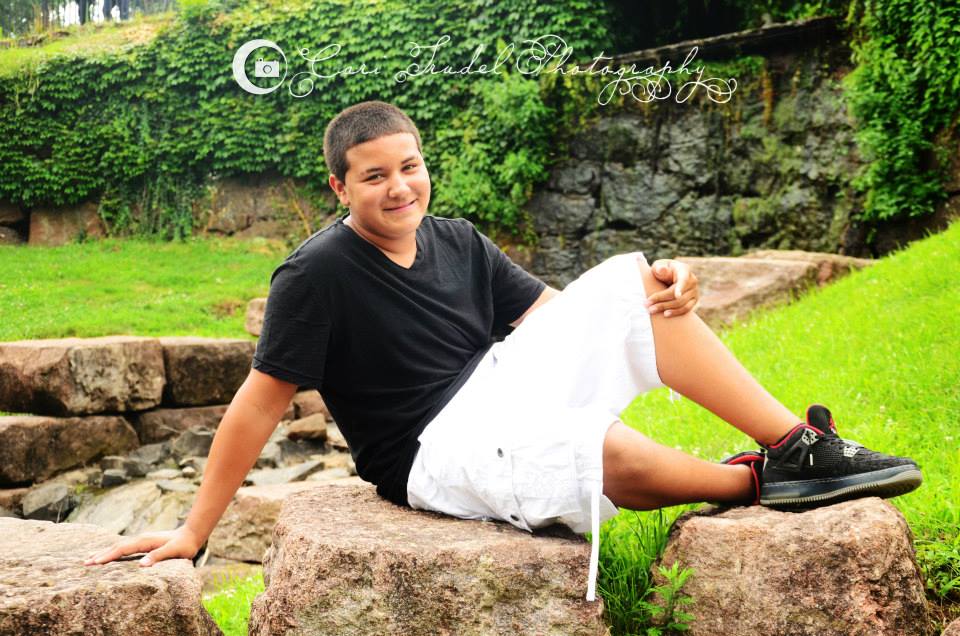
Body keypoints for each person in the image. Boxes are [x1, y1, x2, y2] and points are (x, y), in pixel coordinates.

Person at [84, 101, 921, 601]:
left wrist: (666, 294)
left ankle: (798, 446)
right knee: (591, 449)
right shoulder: (315, 274)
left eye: (409, 167)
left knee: (634, 283)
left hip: (492, 385)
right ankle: (753, 482)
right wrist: (194, 530)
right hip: (427, 449)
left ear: (424, 165)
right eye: (374, 176)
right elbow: (259, 403)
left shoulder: (457, 238)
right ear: (339, 187)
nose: (399, 187)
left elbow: (562, 319)